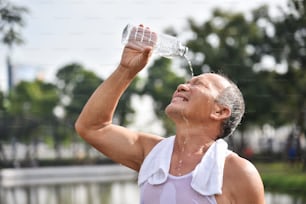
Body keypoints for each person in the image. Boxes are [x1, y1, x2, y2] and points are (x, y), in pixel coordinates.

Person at [75, 24, 265, 204]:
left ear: (220, 111)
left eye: (198, 84)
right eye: (187, 83)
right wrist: (126, 70)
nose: (182, 86)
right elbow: (91, 127)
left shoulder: (239, 173)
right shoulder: (151, 153)